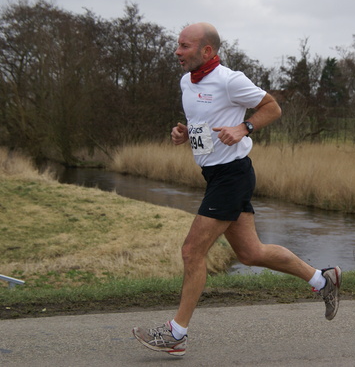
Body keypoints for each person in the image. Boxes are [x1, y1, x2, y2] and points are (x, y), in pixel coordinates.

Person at [132, 22, 341, 357]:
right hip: (215, 176)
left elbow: (272, 107)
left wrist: (244, 127)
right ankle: (323, 280)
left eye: (184, 46)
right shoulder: (187, 81)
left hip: (233, 176)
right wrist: (187, 134)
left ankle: (176, 333)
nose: (177, 51)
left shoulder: (231, 80)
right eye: (178, 45)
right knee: (251, 253)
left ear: (207, 51)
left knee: (191, 252)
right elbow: (206, 121)